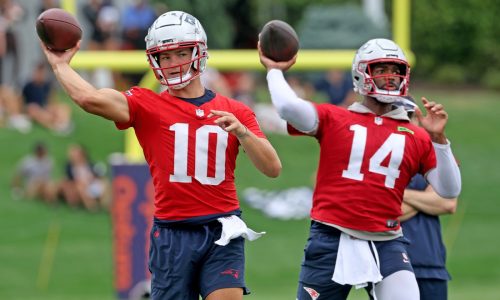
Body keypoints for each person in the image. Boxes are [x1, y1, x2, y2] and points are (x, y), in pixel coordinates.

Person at [39, 10, 281, 300]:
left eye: (180, 54)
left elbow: (272, 167)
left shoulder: (236, 111)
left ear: (198, 51)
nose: (172, 63)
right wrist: (59, 65)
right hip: (172, 233)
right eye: (164, 57)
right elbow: (89, 99)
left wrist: (242, 132)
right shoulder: (147, 105)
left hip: (222, 227)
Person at [259, 38, 461, 300]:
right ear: (361, 73)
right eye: (380, 70)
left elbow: (450, 189)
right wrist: (274, 70)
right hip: (331, 235)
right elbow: (287, 107)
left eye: (395, 70)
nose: (390, 77)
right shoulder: (336, 118)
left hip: (386, 239)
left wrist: (439, 140)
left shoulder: (416, 134)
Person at [397, 96, 458, 300]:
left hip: (431, 265)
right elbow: (386, 212)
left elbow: (447, 202)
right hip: (390, 266)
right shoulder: (374, 158)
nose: (403, 122)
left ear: (417, 118)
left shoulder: (435, 153)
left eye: (408, 116)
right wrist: (426, 198)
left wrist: (397, 193)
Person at [22, 62, 73, 134]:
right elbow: (22, 101)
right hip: (33, 109)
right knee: (34, 109)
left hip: (44, 108)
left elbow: (51, 101)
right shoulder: (28, 86)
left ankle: (62, 124)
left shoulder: (47, 86)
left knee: (64, 107)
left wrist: (51, 108)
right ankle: (54, 127)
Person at [58, 143, 109, 212]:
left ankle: (105, 205)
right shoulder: (70, 167)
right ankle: (92, 206)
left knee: (105, 182)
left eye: (76, 153)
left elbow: (97, 174)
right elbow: (69, 179)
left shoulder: (90, 164)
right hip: (79, 187)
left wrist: (93, 179)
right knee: (80, 186)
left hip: (91, 183)